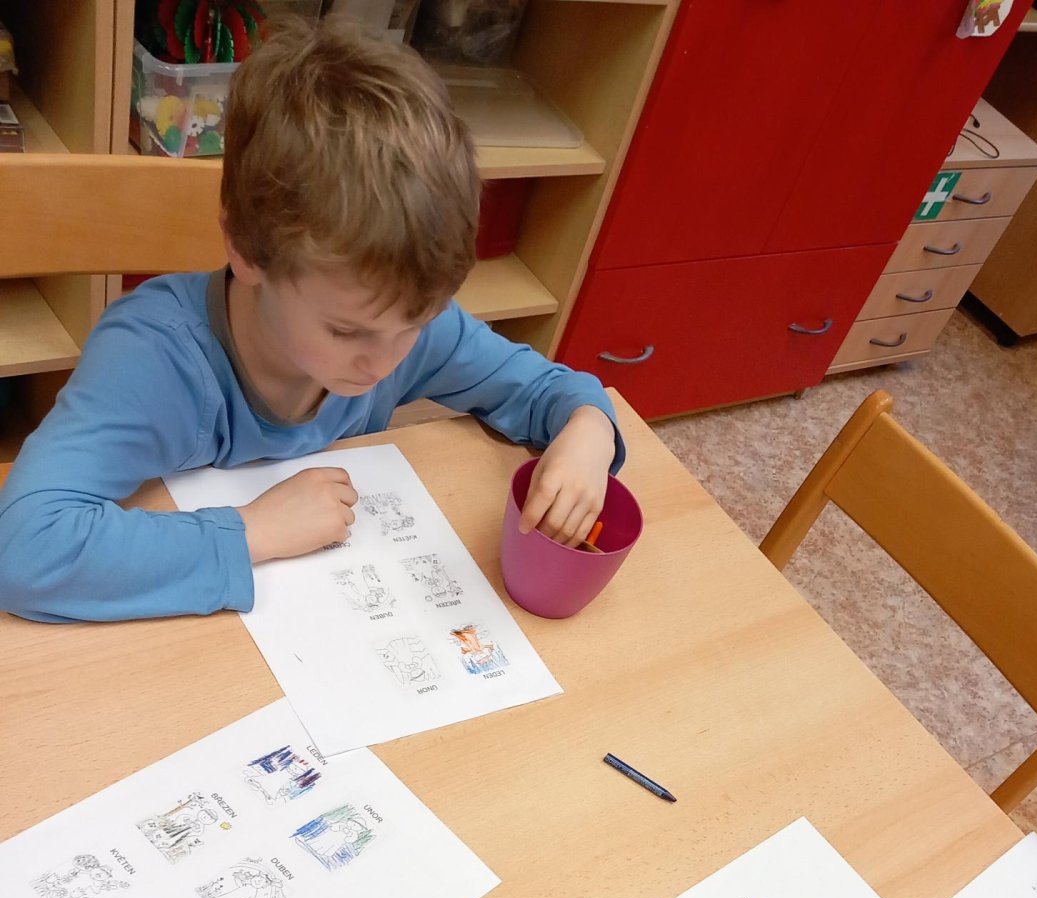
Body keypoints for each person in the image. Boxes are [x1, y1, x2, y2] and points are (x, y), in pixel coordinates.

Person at [0, 19, 621, 624]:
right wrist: (251, 531)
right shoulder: (153, 360)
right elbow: (24, 549)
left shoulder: (400, 323)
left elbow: (544, 389)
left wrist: (588, 429)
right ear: (246, 250)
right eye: (346, 332)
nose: (385, 361)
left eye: (416, 321)